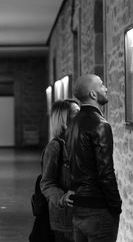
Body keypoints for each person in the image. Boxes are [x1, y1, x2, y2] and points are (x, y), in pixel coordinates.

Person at [65, 74, 122, 242]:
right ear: (93, 94)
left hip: (79, 206)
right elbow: (105, 171)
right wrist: (115, 205)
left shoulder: (72, 124)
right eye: (102, 85)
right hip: (98, 207)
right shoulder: (100, 124)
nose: (106, 88)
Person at [40, 99, 80, 242]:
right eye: (76, 113)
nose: (82, 115)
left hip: (83, 217)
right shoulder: (55, 147)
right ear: (64, 119)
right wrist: (63, 197)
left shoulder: (80, 141)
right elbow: (47, 184)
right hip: (65, 220)